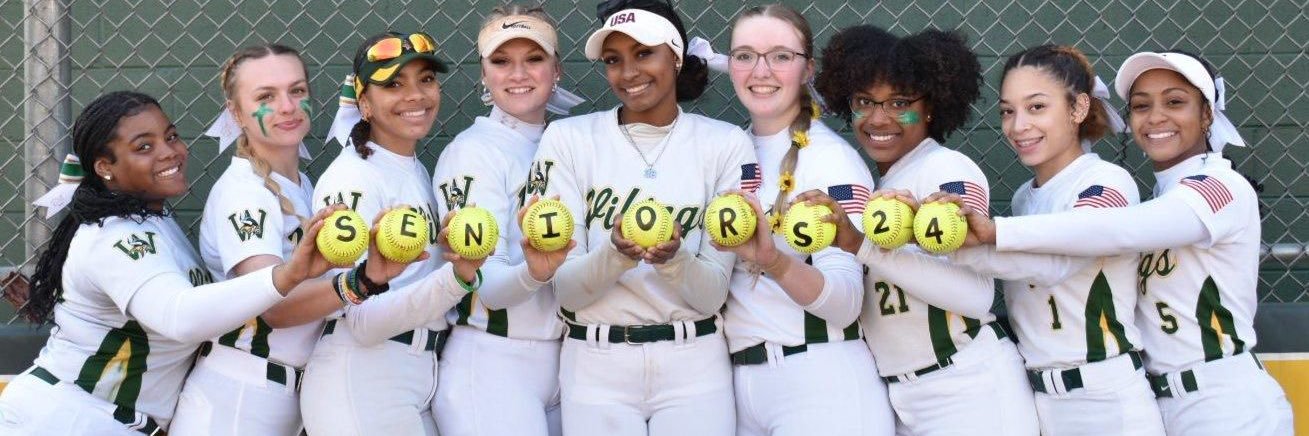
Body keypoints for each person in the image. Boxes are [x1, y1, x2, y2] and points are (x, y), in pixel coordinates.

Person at [948, 50, 1294, 436]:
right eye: (1141, 106)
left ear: (1208, 114)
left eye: (1175, 102)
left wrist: (992, 233)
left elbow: (1109, 229)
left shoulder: (1221, 187)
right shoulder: (1162, 195)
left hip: (1226, 401)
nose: (1156, 117)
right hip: (1164, 400)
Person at [0, 91, 349, 435]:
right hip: (66, 416)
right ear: (105, 167)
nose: (171, 152)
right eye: (144, 147)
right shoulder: (112, 236)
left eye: (170, 136)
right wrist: (287, 276)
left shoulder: (155, 221)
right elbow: (180, 317)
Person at [798, 24, 1040, 435]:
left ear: (931, 106)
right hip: (904, 396)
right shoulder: (882, 184)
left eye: (899, 102)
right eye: (864, 102)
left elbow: (976, 296)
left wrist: (862, 246)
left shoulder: (947, 169)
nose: (878, 118)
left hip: (968, 386)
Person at [529, 0, 757, 434]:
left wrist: (674, 259)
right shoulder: (568, 138)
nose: (628, 72)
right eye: (614, 60)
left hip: (694, 363)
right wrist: (615, 255)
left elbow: (711, 295)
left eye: (644, 53)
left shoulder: (724, 144)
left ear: (675, 55)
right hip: (596, 365)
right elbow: (568, 293)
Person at [941, 44, 1163, 435]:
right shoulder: (1027, 195)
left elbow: (1055, 265)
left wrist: (973, 242)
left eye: (1037, 107)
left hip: (1107, 400)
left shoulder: (1107, 182)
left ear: (1077, 109)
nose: (1018, 126)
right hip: (1042, 401)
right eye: (1008, 111)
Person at [710, 4, 894, 435]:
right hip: (740, 385)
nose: (761, 70)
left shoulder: (831, 159)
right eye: (745, 55)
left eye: (780, 56)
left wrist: (774, 261)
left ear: (807, 68)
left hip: (819, 380)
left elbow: (847, 303)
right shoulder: (725, 151)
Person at [298, 31, 485, 436]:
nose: (416, 95)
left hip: (415, 373)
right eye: (394, 84)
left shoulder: (412, 168)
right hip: (365, 378)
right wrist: (458, 278)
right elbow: (362, 319)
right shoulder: (353, 178)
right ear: (364, 103)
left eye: (426, 79)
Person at [430, 5, 582, 436]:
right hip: (494, 361)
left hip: (563, 361)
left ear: (557, 71)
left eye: (533, 59)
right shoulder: (472, 152)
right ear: (483, 74)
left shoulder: (568, 145)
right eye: (501, 61)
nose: (518, 73)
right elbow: (487, 283)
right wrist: (534, 272)